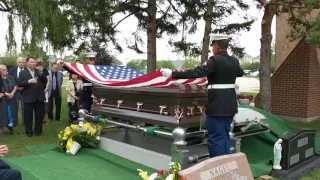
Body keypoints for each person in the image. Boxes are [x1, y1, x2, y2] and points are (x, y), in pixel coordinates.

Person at [161, 34, 244, 158]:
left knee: (215, 138)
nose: (212, 49)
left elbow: (197, 72)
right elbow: (240, 72)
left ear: (216, 46)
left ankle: (218, 166)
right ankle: (227, 163)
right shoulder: (234, 61)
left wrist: (173, 73)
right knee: (225, 136)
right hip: (230, 107)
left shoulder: (214, 60)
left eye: (213, 46)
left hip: (217, 106)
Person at [18, 56, 48, 137]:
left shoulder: (39, 71)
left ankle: (38, 131)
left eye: (34, 62)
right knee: (28, 116)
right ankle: (29, 132)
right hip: (28, 97)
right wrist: (29, 81)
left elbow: (45, 81)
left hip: (39, 97)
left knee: (39, 116)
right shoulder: (22, 73)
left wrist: (42, 73)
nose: (33, 63)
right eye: (31, 62)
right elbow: (19, 83)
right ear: (27, 63)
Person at [0, 65, 18, 135]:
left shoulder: (10, 77)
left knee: (11, 113)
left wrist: (12, 93)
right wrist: (7, 94)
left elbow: (15, 86)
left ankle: (11, 128)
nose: (5, 71)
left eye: (6, 69)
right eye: (3, 70)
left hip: (11, 98)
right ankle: (1, 129)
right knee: (2, 113)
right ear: (0, 71)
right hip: (3, 99)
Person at [8, 57, 25, 125]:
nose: (21, 63)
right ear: (17, 63)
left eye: (22, 62)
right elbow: (9, 80)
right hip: (15, 92)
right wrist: (16, 87)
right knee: (15, 107)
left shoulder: (27, 70)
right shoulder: (12, 70)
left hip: (24, 92)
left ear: (24, 63)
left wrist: (23, 87)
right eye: (20, 62)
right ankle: (14, 122)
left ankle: (25, 122)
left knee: (25, 108)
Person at [36, 59, 50, 124]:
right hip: (37, 90)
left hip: (44, 90)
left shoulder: (45, 70)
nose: (40, 66)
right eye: (39, 64)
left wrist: (46, 88)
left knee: (45, 105)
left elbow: (48, 80)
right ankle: (38, 119)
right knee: (38, 105)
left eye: (41, 64)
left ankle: (44, 119)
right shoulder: (34, 70)